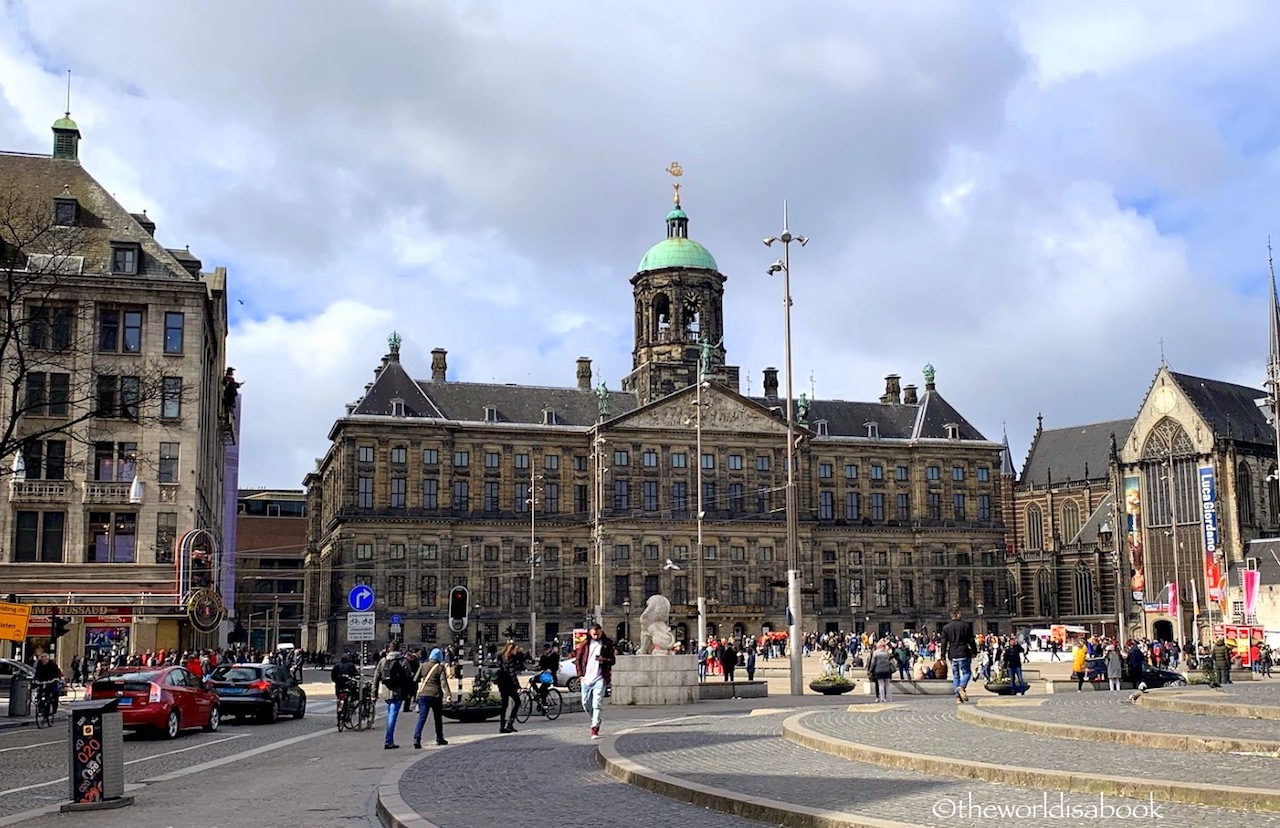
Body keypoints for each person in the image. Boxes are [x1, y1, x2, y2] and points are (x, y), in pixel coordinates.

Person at [571, 623, 616, 739]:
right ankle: (596, 717)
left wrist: (603, 660)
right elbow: (578, 659)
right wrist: (580, 674)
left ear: (601, 632)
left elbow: (612, 660)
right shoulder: (585, 644)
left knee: (597, 703)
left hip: (600, 677)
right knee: (585, 703)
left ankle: (595, 727)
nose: (596, 636)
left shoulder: (607, 643)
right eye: (594, 634)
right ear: (590, 633)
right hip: (586, 678)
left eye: (598, 634)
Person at [373, 641, 413, 749]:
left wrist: (374, 693)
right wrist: (410, 693)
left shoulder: (383, 661)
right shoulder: (403, 661)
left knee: (390, 712)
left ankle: (389, 739)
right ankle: (388, 740)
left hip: (386, 691)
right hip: (398, 692)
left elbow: (376, 677)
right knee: (392, 716)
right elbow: (409, 678)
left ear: (389, 649)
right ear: (399, 649)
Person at [412, 648, 448, 748]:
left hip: (423, 695)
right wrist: (448, 694)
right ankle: (439, 738)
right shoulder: (440, 667)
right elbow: (443, 682)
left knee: (422, 718)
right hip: (436, 695)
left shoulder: (423, 665)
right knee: (437, 718)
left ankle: (417, 738)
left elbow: (415, 678)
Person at [940, 606, 977, 704]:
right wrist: (974, 651)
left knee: (955, 676)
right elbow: (971, 641)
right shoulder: (965, 626)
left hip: (952, 653)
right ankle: (962, 686)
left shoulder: (946, 627)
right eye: (961, 613)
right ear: (957, 614)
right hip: (964, 652)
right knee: (967, 673)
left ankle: (958, 698)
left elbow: (943, 643)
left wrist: (942, 656)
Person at [495, 641, 526, 734]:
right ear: (512, 649)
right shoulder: (510, 658)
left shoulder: (501, 656)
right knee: (517, 702)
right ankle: (510, 723)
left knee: (504, 705)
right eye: (516, 649)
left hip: (501, 684)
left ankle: (502, 726)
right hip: (509, 684)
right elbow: (512, 674)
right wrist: (517, 685)